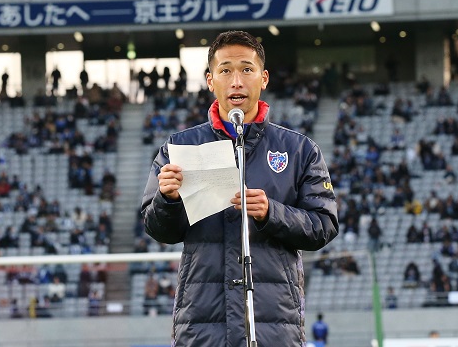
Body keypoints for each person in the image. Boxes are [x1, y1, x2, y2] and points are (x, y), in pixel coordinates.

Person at [141, 30, 338, 347]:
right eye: (225, 70)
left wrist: (272, 213)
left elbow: (324, 225)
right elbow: (157, 229)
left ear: (264, 78)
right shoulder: (178, 148)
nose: (236, 81)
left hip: (274, 326)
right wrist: (168, 199)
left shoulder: (300, 150)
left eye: (247, 69)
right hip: (203, 326)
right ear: (210, 80)